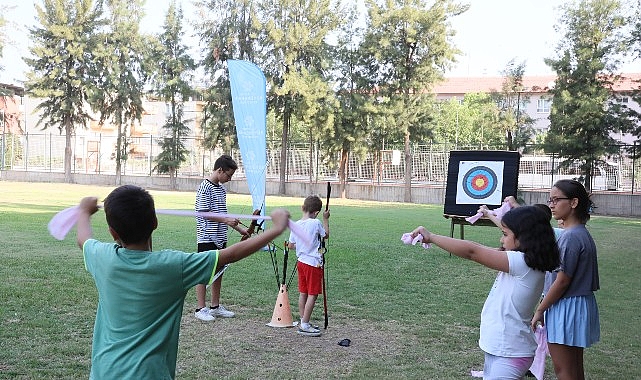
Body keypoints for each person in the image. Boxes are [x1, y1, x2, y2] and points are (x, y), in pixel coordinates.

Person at [75, 185, 290, 379]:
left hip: (105, 372)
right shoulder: (174, 266)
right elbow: (230, 254)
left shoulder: (102, 258)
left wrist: (84, 212)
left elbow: (83, 239)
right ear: (155, 222)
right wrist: (276, 229)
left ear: (113, 233)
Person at [410, 206, 560, 379]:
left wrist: (432, 237)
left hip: (509, 352)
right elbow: (477, 247)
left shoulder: (522, 263)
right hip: (505, 349)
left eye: (505, 234)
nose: (501, 240)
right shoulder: (525, 260)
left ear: (523, 238)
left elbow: (472, 252)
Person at [530, 179, 600, 380]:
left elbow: (562, 281)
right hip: (577, 306)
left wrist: (541, 309)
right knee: (575, 369)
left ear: (574, 203)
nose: (551, 204)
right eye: (550, 200)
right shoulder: (580, 233)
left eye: (556, 199)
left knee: (565, 371)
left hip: (566, 308)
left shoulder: (570, 237)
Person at [194, 154, 248, 321]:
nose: (229, 179)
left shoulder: (221, 189)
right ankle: (200, 308)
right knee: (203, 272)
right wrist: (226, 219)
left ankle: (215, 307)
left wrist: (239, 229)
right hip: (207, 237)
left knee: (219, 271)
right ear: (219, 170)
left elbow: (223, 214)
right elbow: (203, 213)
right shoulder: (205, 187)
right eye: (228, 175)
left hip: (220, 236)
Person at [286, 195, 330, 337]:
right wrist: (326, 219)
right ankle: (304, 324)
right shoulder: (316, 222)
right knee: (313, 294)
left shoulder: (296, 224)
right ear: (316, 212)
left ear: (303, 208)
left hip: (301, 262)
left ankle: (303, 320)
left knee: (303, 292)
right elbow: (326, 235)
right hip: (313, 263)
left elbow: (291, 245)